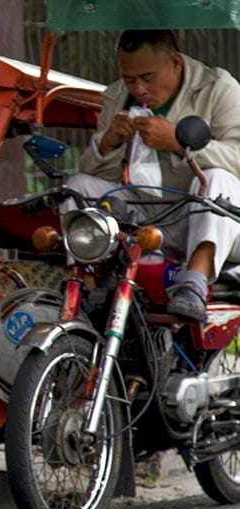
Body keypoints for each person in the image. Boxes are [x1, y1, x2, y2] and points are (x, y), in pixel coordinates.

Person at [63, 29, 240, 321]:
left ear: (175, 62)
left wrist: (178, 143)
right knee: (77, 186)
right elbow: (97, 175)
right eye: (130, 79)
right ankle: (87, 285)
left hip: (211, 220)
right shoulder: (117, 96)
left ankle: (193, 283)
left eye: (147, 78)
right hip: (148, 219)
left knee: (216, 178)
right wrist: (109, 143)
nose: (138, 89)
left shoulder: (219, 88)